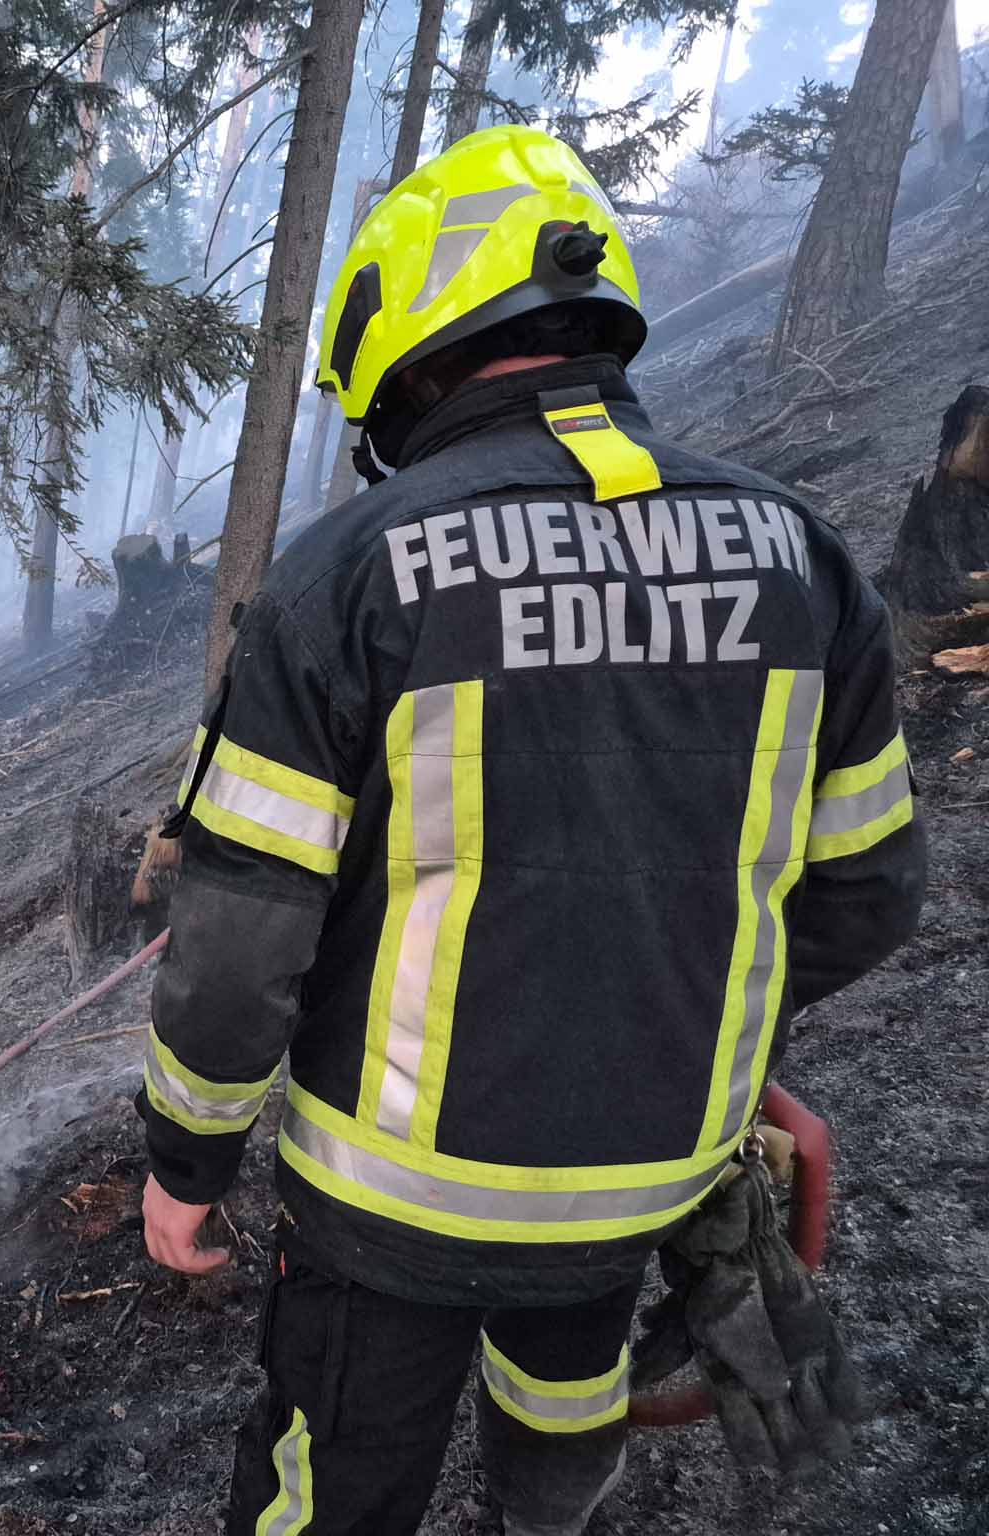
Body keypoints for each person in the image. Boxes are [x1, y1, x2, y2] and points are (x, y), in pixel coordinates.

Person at [139, 125, 925, 1536]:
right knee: (567, 1407)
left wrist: (186, 1165)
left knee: (330, 1480)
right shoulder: (802, 555)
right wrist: (672, 992)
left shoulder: (352, 576)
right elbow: (867, 894)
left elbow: (236, 950)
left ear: (405, 338)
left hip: (390, 1205)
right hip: (644, 1176)